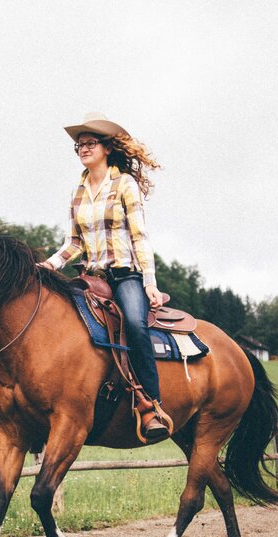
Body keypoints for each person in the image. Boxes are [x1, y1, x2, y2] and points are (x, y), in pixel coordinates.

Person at [39, 112, 170, 440]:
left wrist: (149, 283)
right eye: (79, 145)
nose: (83, 149)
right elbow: (74, 243)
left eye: (90, 143)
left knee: (135, 325)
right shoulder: (78, 191)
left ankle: (151, 406)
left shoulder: (124, 184)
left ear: (107, 148)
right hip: (91, 278)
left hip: (125, 276)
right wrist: (49, 266)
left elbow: (139, 237)